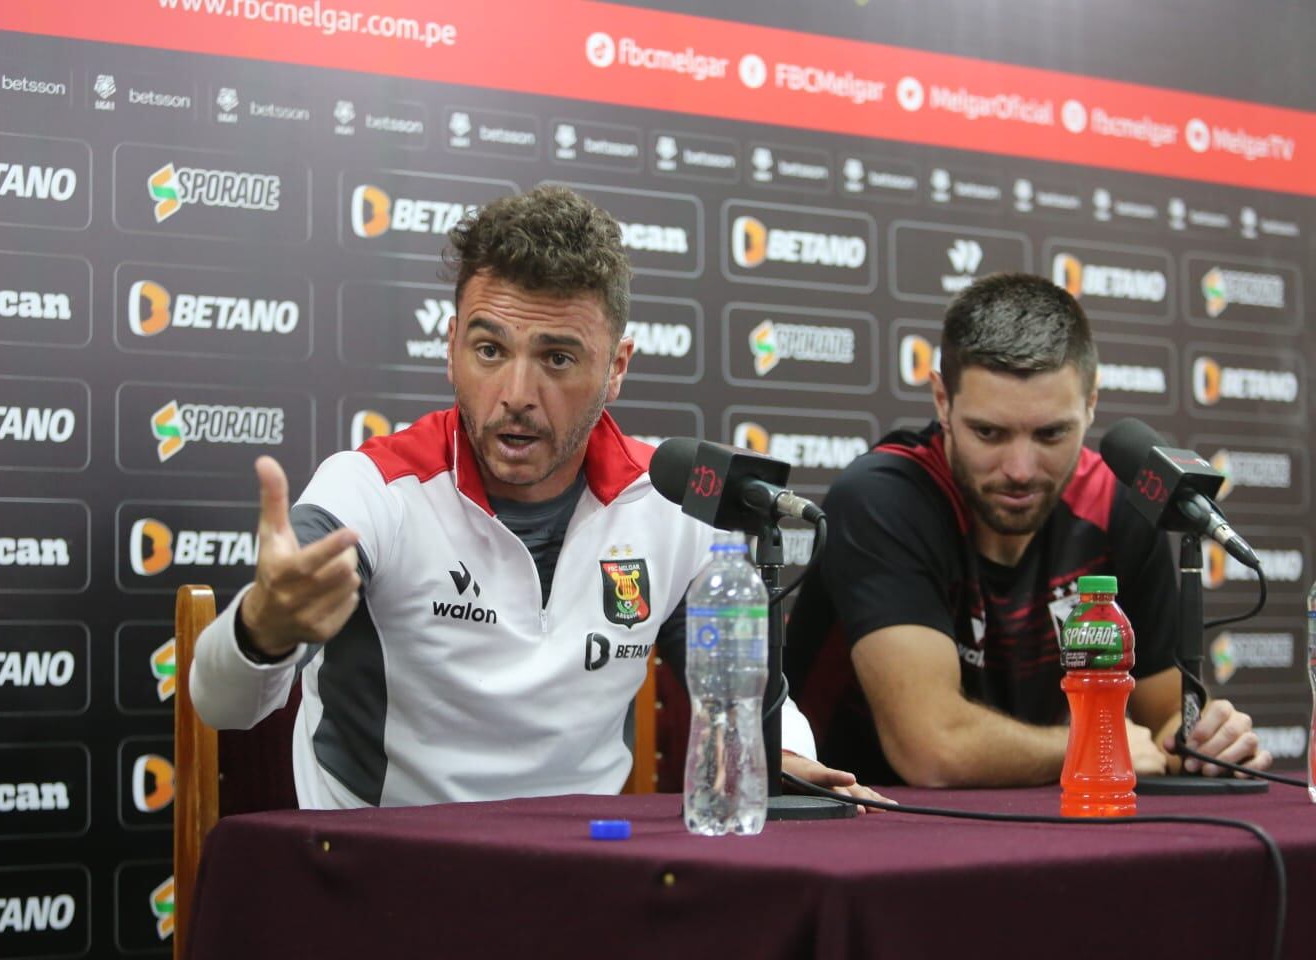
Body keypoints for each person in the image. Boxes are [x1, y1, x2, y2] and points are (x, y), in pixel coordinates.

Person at [191, 185, 883, 809]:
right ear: (452, 346)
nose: (517, 395)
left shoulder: (671, 506)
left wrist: (787, 752)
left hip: (583, 881)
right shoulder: (373, 487)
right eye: (490, 350)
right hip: (384, 880)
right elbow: (221, 705)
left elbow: (737, 678)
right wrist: (263, 627)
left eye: (557, 358)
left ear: (616, 368)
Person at [785, 272, 1272, 787]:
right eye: (989, 432)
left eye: (1050, 433)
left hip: (1044, 818)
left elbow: (1163, 718)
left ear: (1091, 404)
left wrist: (1204, 740)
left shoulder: (1117, 504)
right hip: (867, 826)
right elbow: (932, 749)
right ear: (942, 401)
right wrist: (1096, 744)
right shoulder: (885, 496)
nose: (1019, 468)